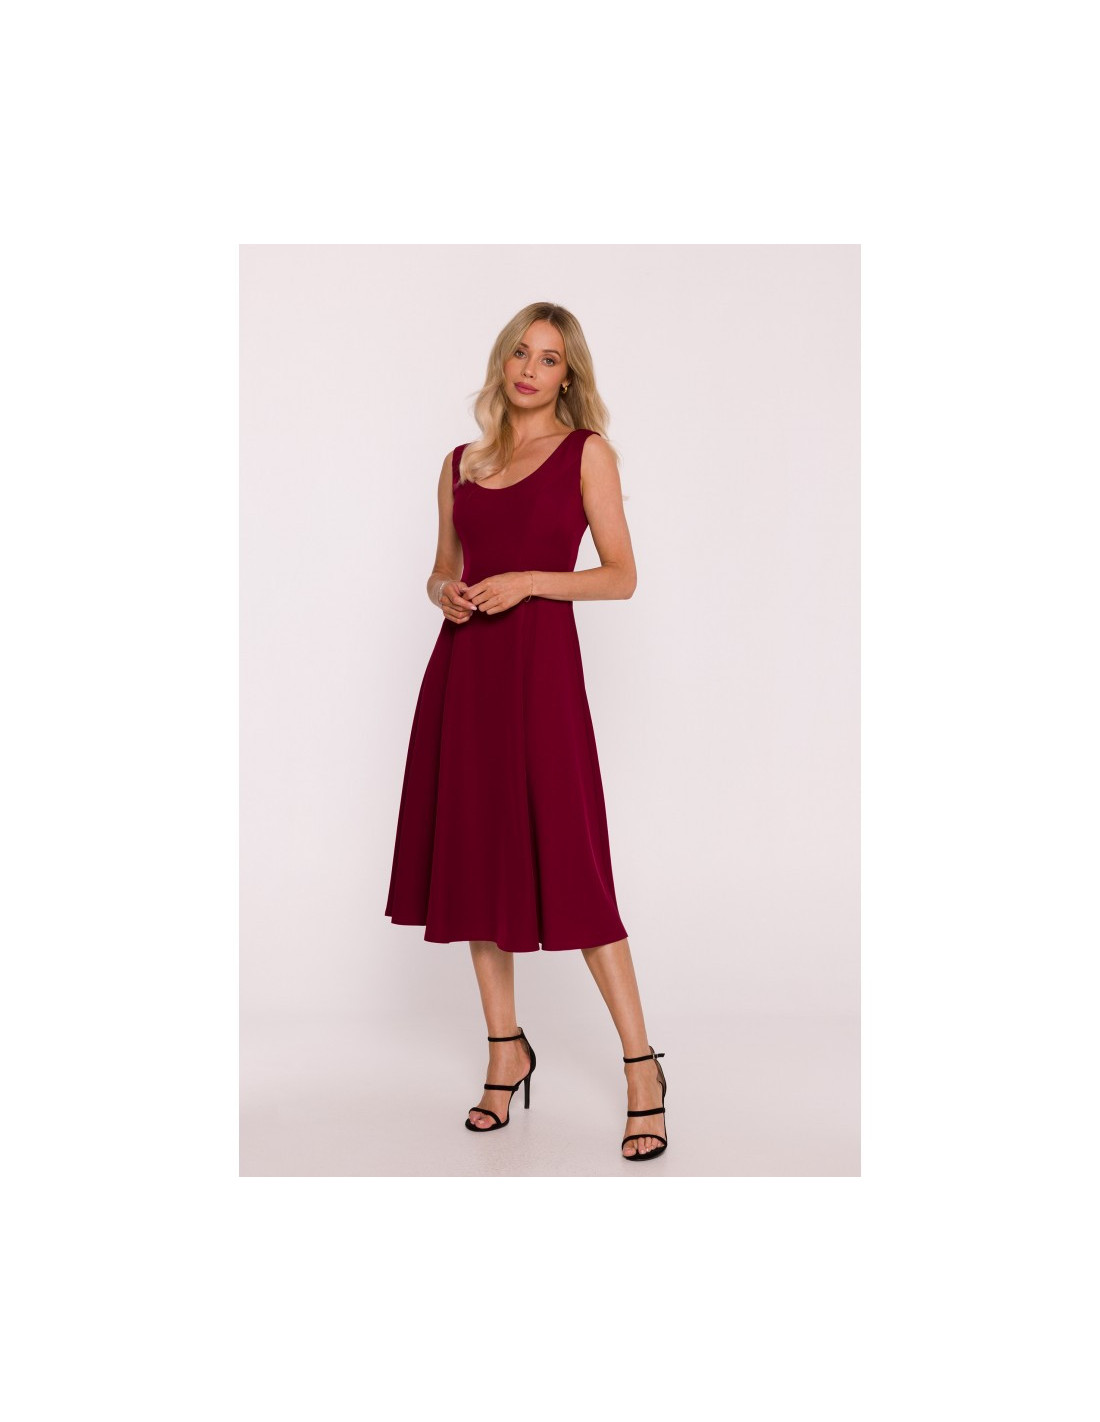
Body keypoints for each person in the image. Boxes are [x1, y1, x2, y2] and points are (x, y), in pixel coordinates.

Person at [384, 301, 668, 1161]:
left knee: (574, 864)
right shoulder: (461, 463)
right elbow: (442, 568)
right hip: (466, 673)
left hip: (541, 680)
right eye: (519, 352)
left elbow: (620, 577)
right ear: (502, 362)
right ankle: (504, 1051)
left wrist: (530, 582)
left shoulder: (587, 453)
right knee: (475, 859)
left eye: (548, 358)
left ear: (568, 374)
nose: (529, 369)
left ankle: (642, 1068)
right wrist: (447, 593)